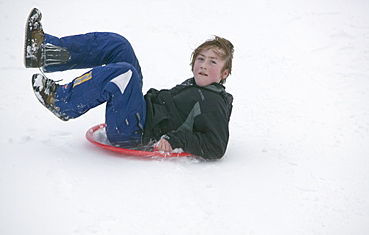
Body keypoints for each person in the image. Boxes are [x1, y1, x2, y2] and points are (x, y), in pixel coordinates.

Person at [25, 8, 234, 159]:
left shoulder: (212, 103)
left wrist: (176, 139)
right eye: (200, 58)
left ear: (225, 73)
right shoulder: (197, 87)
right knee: (119, 46)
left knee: (124, 74)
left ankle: (62, 102)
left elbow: (216, 146)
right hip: (138, 114)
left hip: (135, 132)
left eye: (212, 62)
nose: (204, 65)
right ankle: (46, 52)